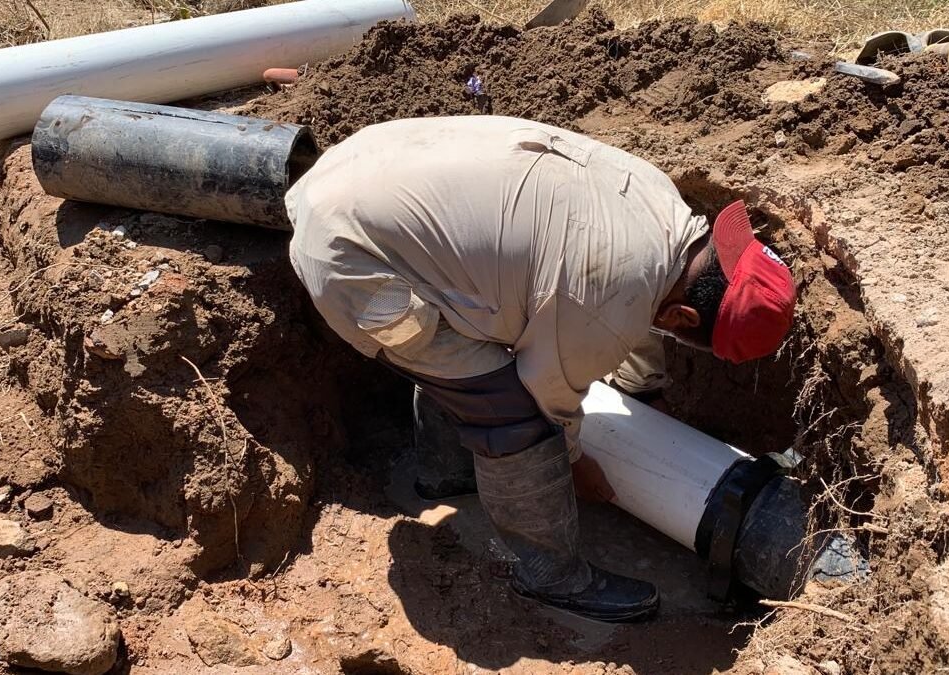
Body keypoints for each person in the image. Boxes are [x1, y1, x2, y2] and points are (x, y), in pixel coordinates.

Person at [286, 115, 796, 623]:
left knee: (477, 335)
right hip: (355, 265)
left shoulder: (660, 208)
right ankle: (549, 575)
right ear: (681, 317)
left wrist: (644, 390)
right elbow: (546, 396)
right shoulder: (606, 294)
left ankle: (448, 471)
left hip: (371, 163)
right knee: (508, 409)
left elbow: (636, 303)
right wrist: (573, 462)